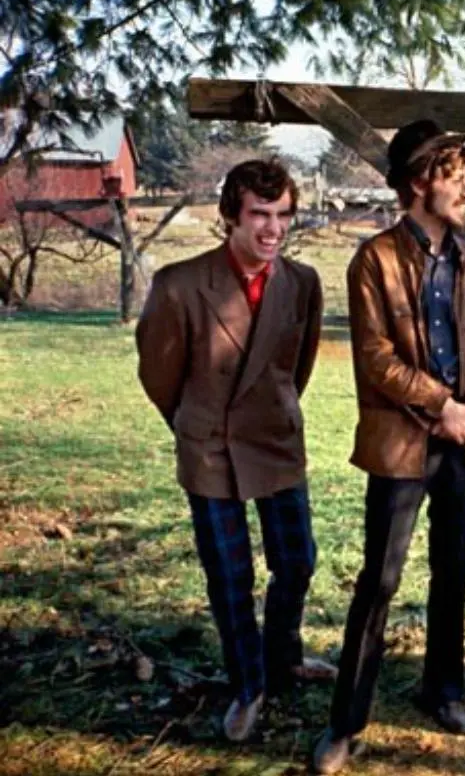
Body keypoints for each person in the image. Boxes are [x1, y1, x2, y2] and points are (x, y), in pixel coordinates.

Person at [312, 120, 465, 774]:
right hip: (402, 444)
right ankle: (347, 721)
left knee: (452, 569)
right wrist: (441, 406)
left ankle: (442, 689)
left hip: (463, 442)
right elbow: (374, 359)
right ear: (422, 181)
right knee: (381, 579)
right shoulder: (375, 260)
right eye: (458, 177)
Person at [136, 159, 330, 742]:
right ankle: (249, 686)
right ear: (229, 218)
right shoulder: (180, 284)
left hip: (275, 441)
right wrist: (197, 423)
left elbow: (298, 366)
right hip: (211, 449)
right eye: (259, 216)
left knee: (296, 561)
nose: (272, 229)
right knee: (230, 575)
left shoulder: (302, 282)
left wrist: (274, 412)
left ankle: (284, 657)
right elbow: (159, 375)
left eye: (283, 216)